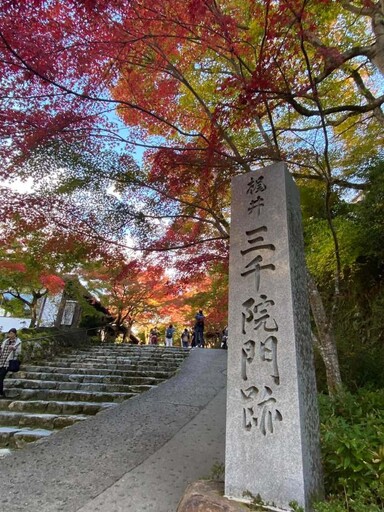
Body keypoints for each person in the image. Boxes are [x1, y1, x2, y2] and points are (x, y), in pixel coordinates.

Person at [0, 328, 22, 398]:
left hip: (8, 362)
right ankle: (1, 392)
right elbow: (2, 349)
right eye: (9, 333)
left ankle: (1, 393)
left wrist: (14, 348)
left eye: (12, 333)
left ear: (15, 334)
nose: (10, 335)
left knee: (1, 376)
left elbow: (19, 352)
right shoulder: (6, 341)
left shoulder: (18, 342)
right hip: (1, 360)